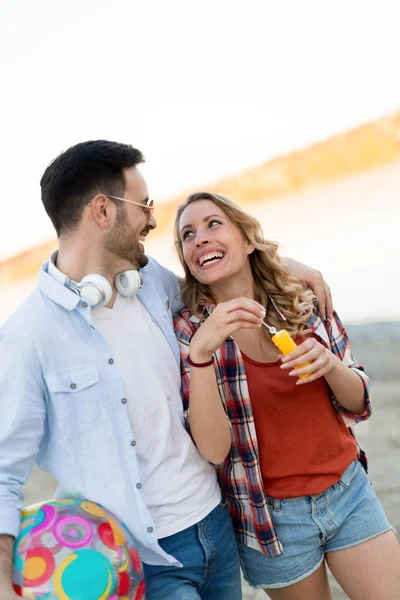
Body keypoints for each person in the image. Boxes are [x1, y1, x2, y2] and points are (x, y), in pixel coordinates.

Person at [0, 141, 332, 600]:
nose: (153, 220)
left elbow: (219, 281)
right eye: (143, 205)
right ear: (102, 211)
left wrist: (282, 264)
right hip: (134, 556)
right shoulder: (26, 337)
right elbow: (4, 470)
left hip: (216, 527)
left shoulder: (151, 281)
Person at [173, 191, 400, 600]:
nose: (200, 238)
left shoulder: (302, 299)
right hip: (271, 521)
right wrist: (202, 354)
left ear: (246, 239)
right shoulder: (190, 332)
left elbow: (358, 401)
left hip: (348, 491)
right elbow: (214, 450)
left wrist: (330, 365)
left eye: (213, 224)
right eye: (187, 234)